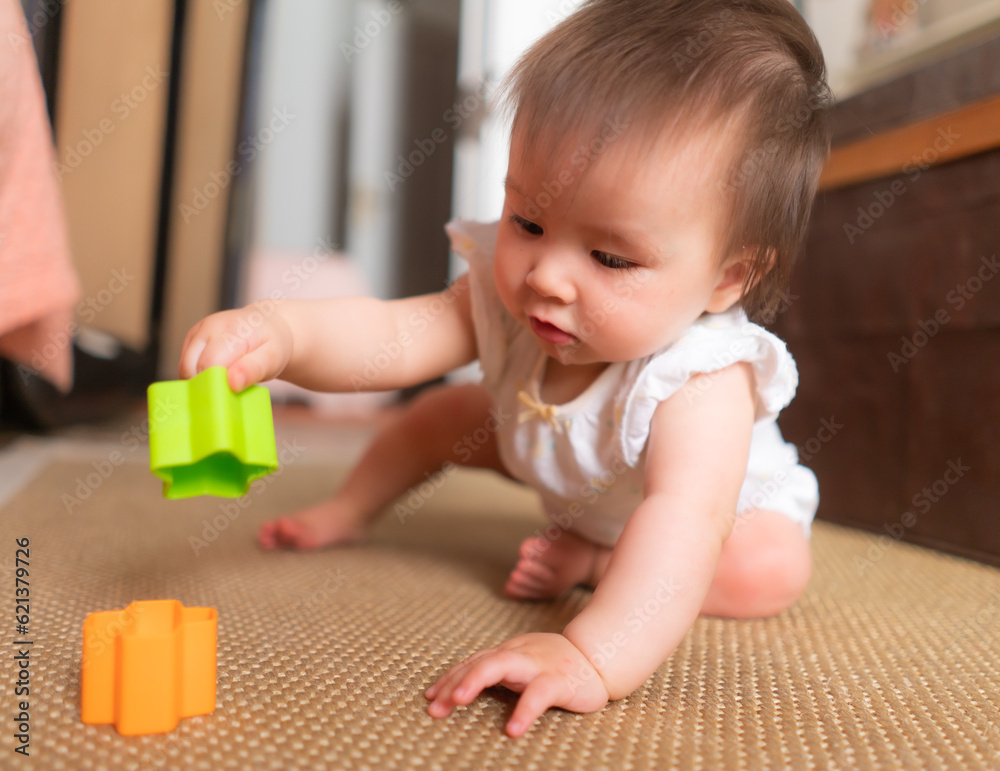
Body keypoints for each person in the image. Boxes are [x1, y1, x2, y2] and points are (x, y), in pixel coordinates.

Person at [179, 0, 830, 737]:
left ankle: (588, 559)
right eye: (529, 221)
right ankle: (349, 506)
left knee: (772, 568)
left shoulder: (704, 378)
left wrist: (591, 652)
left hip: (725, 519)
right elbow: (396, 333)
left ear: (727, 278)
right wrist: (283, 332)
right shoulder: (508, 290)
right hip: (560, 456)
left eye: (610, 257)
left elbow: (684, 521)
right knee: (437, 418)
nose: (546, 276)